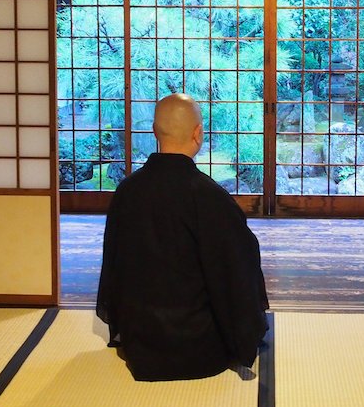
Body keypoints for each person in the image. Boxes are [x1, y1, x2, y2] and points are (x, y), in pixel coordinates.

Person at [96, 93, 269, 381]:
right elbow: (238, 270)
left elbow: (115, 270)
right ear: (198, 133)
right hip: (200, 349)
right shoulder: (209, 197)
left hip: (142, 345)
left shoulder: (127, 191)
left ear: (154, 131)